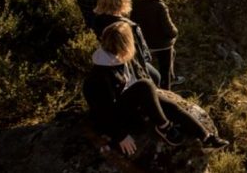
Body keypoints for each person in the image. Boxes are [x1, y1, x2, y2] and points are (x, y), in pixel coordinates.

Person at [83, 22, 228, 155]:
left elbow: (139, 75)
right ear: (124, 43)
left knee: (170, 105)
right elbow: (102, 112)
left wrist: (152, 96)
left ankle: (206, 137)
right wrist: (120, 136)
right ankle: (164, 127)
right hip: (119, 116)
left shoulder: (122, 58)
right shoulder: (98, 77)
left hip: (134, 102)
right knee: (145, 85)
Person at [93, 0, 161, 87]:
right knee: (156, 77)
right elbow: (142, 55)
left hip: (106, 59)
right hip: (129, 63)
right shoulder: (130, 26)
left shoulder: (97, 20)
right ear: (123, 1)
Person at [131, 0, 184, 90]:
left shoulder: (135, 3)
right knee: (165, 67)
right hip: (161, 45)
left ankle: (165, 78)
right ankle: (167, 86)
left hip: (143, 42)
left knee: (171, 52)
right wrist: (175, 33)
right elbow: (169, 29)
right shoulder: (160, 6)